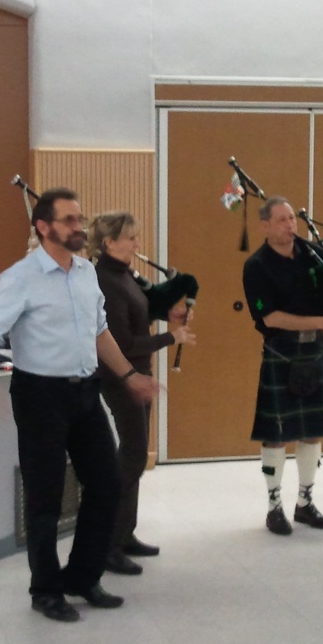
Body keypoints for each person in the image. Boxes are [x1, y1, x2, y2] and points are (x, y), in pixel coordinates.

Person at [0, 189, 160, 622]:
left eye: (80, 218)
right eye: (69, 220)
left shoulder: (87, 273)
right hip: (40, 395)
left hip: (85, 392)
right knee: (46, 497)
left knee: (107, 483)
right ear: (43, 227)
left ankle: (82, 577)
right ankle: (45, 590)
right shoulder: (20, 277)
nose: (79, 227)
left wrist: (130, 376)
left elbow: (100, 333)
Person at [242, 197, 323, 535]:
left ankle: (305, 503)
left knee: (313, 431)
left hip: (314, 351)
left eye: (292, 218)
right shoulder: (256, 266)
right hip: (281, 352)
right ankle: (274, 507)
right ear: (265, 226)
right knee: (276, 435)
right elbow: (270, 317)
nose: (290, 225)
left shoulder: (311, 255)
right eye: (281, 220)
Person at [87, 212, 195, 575]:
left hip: (138, 372)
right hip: (122, 377)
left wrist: (170, 316)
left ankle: (124, 534)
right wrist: (171, 338)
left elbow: (139, 316)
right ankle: (108, 545)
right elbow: (124, 343)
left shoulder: (125, 275)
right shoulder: (105, 281)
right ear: (108, 243)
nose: (137, 244)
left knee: (134, 455)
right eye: (130, 238)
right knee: (132, 457)